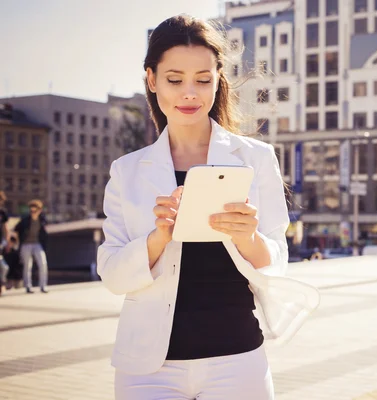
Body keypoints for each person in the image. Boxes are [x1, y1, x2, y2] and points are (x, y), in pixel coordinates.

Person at [97, 15, 319, 400]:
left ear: (219, 80)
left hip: (238, 360)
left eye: (203, 79)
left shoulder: (256, 158)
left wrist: (247, 237)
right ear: (151, 80)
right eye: (174, 79)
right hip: (148, 368)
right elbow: (113, 275)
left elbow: (276, 262)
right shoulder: (127, 171)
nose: (190, 93)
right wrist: (157, 239)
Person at [14, 199, 49, 294]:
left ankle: (43, 286)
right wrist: (18, 243)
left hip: (37, 244)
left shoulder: (42, 220)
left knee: (43, 263)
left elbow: (45, 231)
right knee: (27, 266)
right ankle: (28, 287)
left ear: (39, 210)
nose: (33, 213)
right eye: (31, 211)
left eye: (35, 211)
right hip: (26, 244)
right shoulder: (25, 220)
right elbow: (16, 229)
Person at [0, 191, 9, 295]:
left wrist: (6, 242)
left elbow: (6, 228)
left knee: (3, 267)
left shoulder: (2, 213)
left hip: (0, 243)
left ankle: (2, 284)